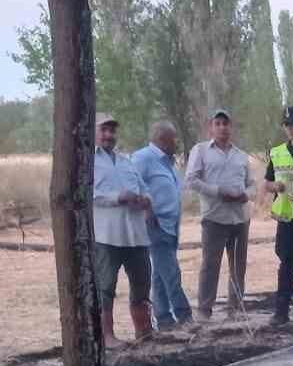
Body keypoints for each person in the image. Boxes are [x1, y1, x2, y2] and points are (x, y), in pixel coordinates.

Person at [184, 108, 253, 321]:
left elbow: (251, 184)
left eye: (226, 124)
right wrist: (218, 191)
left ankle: (236, 308)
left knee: (238, 266)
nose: (222, 127)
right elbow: (191, 180)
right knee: (210, 265)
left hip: (240, 218)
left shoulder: (241, 155)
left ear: (231, 127)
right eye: (218, 123)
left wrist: (245, 195)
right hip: (214, 218)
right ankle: (204, 310)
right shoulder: (201, 150)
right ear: (211, 128)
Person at [92, 112, 153, 348]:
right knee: (105, 287)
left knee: (142, 284)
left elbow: (144, 187)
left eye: (112, 130)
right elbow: (89, 194)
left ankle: (144, 333)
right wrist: (118, 197)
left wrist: (146, 199)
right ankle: (107, 337)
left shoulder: (126, 161)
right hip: (107, 235)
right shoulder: (87, 161)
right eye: (104, 130)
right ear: (93, 132)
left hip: (136, 234)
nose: (109, 135)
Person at [131, 120, 192, 331]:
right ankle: (185, 316)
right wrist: (147, 209)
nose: (176, 142)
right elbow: (134, 184)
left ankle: (164, 318)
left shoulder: (167, 161)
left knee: (159, 274)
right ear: (162, 138)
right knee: (171, 272)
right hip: (155, 224)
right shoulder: (143, 158)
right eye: (174, 138)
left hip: (170, 224)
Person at [262, 104, 293, 327]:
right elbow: (266, 182)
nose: (291, 129)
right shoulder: (277, 152)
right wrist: (274, 186)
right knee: (286, 263)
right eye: (287, 125)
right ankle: (281, 310)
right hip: (287, 217)